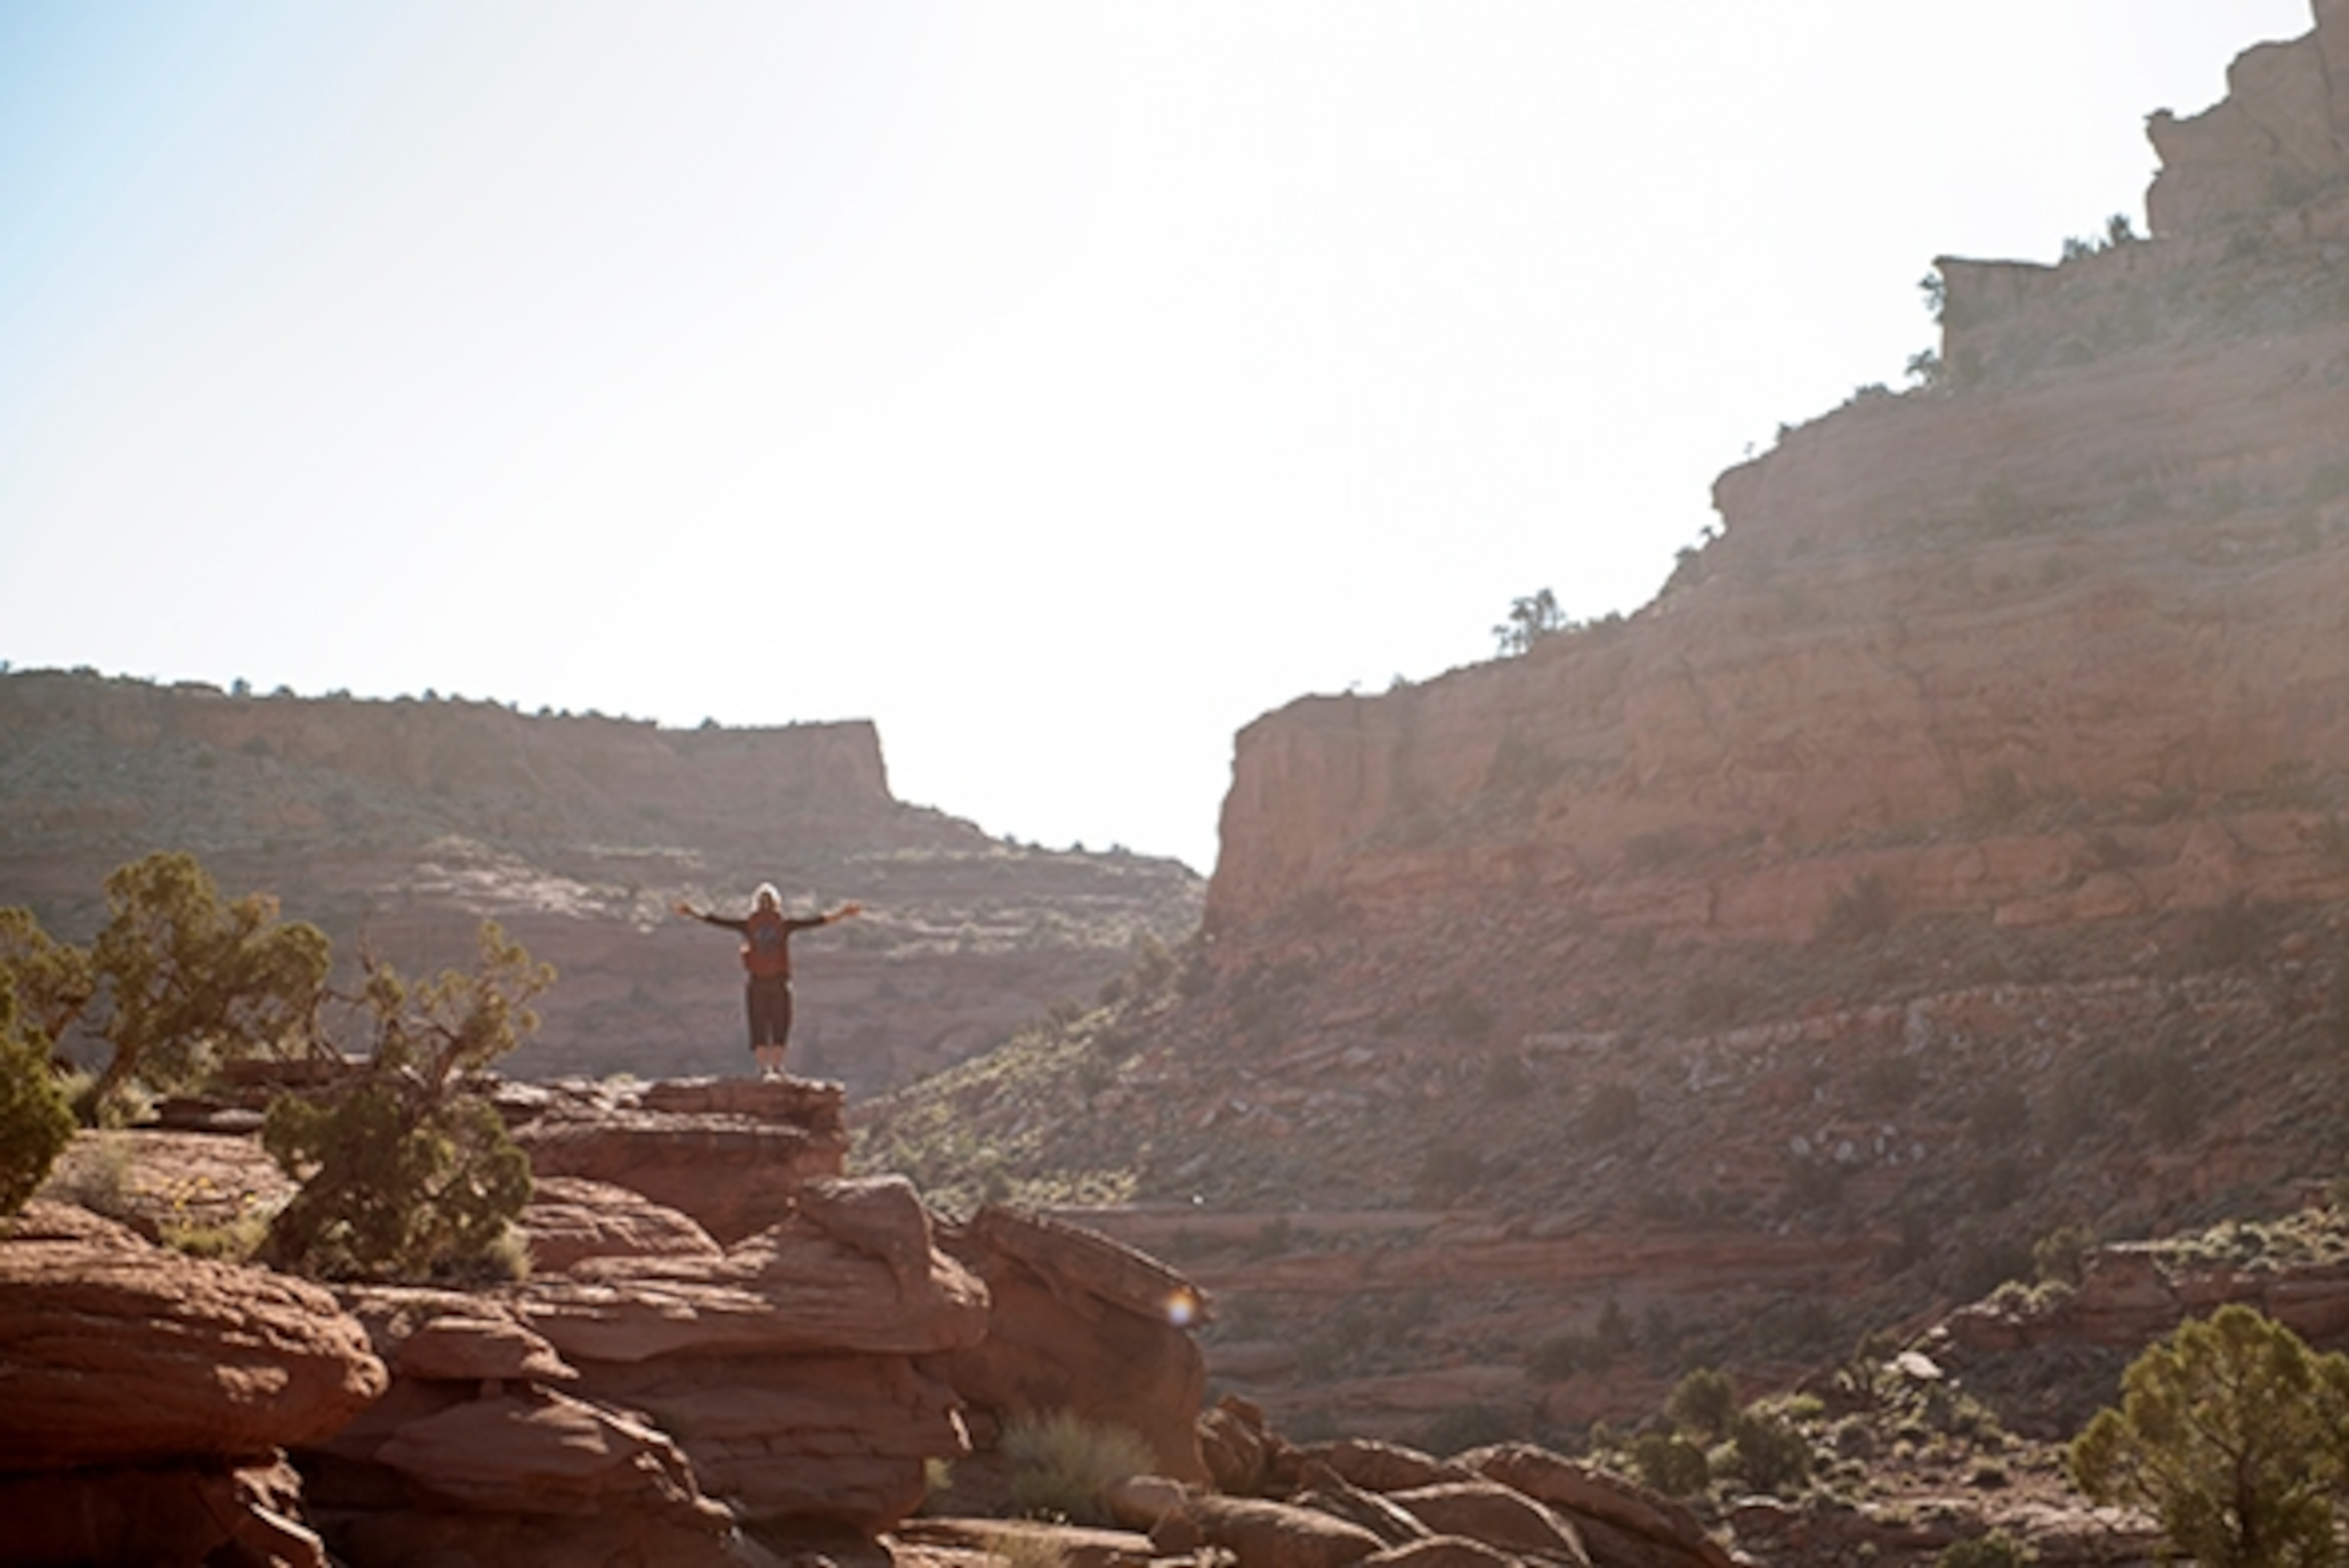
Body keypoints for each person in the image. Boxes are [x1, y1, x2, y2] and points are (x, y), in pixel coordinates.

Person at [674, 884, 862, 1079]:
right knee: (780, 1023)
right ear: (776, 903)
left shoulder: (749, 924)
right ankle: (777, 1068)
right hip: (779, 983)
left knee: (759, 1024)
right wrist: (843, 913)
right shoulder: (783, 924)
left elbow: (717, 921)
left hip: (757, 983)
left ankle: (765, 1069)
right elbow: (816, 922)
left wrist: (692, 912)